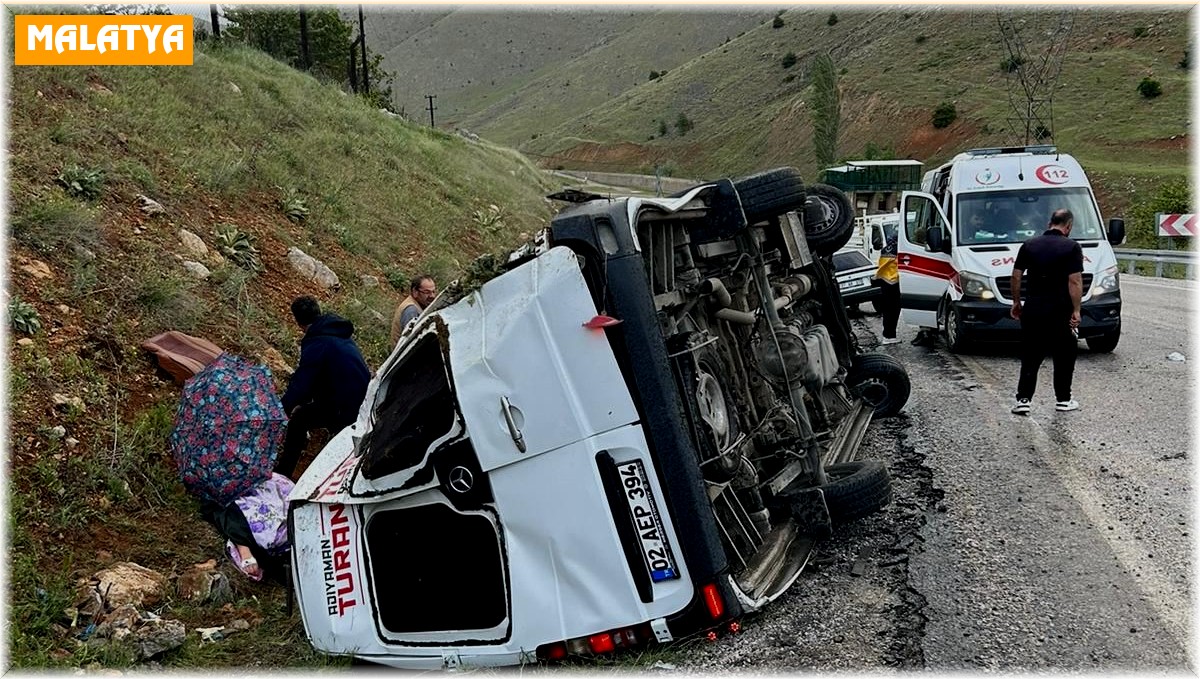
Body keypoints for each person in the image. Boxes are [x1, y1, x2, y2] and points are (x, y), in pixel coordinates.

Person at [276, 296, 371, 479]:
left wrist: (282, 409)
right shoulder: (337, 332)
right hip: (362, 399)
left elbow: (303, 382)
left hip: (344, 405)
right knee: (308, 415)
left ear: (298, 322)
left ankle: (284, 473)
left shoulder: (318, 342)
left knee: (299, 420)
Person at [1009, 209, 1083, 414]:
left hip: (1033, 308)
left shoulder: (1029, 245)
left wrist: (1016, 302)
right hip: (1060, 309)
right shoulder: (1072, 247)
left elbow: (1016, 276)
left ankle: (1023, 400)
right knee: (1064, 354)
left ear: (1049, 223)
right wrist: (1076, 310)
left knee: (1031, 354)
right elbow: (1074, 281)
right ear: (1068, 226)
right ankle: (1063, 399)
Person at [389, 275, 437, 347]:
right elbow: (410, 342)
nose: (432, 296)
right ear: (415, 292)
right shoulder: (411, 310)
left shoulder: (420, 305)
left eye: (433, 292)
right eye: (427, 292)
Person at [875, 222, 902, 345]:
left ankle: (887, 335)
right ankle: (890, 336)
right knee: (894, 311)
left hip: (884, 282)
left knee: (887, 311)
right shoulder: (898, 251)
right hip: (894, 283)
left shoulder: (885, 250)